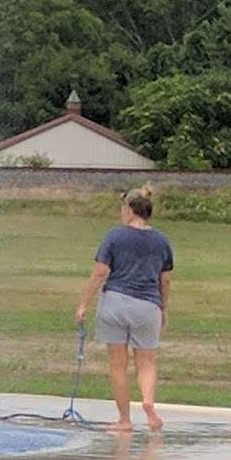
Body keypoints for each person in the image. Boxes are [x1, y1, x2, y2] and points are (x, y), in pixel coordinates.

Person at [75, 184, 173, 433]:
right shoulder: (161, 240)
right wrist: (164, 308)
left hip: (115, 302)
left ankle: (125, 420)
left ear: (130, 210)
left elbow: (100, 272)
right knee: (147, 362)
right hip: (148, 305)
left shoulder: (115, 236)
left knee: (118, 364)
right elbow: (165, 279)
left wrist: (84, 304)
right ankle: (148, 401)